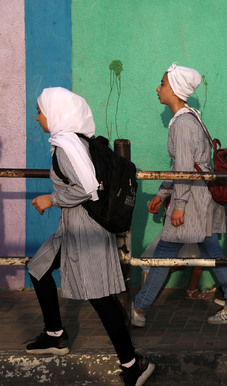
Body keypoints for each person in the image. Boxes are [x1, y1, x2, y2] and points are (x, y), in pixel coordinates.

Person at [26, 87, 154, 385]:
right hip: (71, 228)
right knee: (38, 267)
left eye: (41, 111)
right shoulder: (72, 141)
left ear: (56, 114)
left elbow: (87, 188)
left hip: (86, 231)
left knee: (101, 299)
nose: (37, 117)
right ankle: (55, 334)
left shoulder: (66, 147)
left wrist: (51, 199)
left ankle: (133, 365)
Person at [131, 63, 227, 327]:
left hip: (191, 202)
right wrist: (163, 190)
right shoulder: (191, 118)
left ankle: (138, 309)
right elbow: (181, 165)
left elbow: (183, 169)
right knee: (214, 255)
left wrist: (177, 205)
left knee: (164, 257)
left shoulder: (182, 123)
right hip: (200, 198)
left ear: (175, 89)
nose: (157, 89)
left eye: (162, 83)